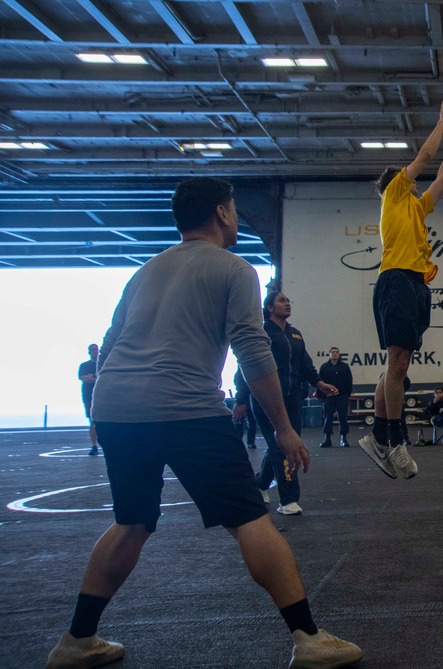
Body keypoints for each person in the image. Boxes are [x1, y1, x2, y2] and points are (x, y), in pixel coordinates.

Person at [43, 177, 361, 669]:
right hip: (185, 406)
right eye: (233, 208)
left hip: (118, 407)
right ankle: (309, 639)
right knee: (251, 520)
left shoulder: (145, 271)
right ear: (222, 212)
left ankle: (76, 641)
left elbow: (109, 345)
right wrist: (283, 427)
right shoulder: (234, 268)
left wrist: (108, 406)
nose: (235, 215)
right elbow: (252, 351)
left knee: (131, 522)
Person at [361, 99, 443, 480]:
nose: (415, 180)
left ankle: (381, 437)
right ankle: (393, 438)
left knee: (398, 366)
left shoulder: (415, 208)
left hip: (417, 285)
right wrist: (440, 124)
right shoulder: (392, 195)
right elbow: (423, 154)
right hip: (396, 280)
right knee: (397, 363)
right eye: (408, 178)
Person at [235, 292, 335, 516]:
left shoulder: (295, 334)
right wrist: (241, 400)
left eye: (289, 300)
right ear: (269, 307)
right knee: (282, 447)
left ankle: (259, 484)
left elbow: (305, 365)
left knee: (283, 444)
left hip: (293, 398)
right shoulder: (260, 333)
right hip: (265, 400)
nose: (287, 303)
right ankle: (289, 500)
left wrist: (320, 383)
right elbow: (245, 369)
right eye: (282, 301)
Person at [318, 347, 353, 448]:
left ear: (339, 354)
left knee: (343, 417)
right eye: (332, 352)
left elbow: (349, 381)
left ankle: (344, 438)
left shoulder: (344, 367)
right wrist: (321, 396)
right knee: (328, 418)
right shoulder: (324, 367)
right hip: (328, 397)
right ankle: (327, 439)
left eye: (336, 352)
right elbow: (320, 382)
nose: (334, 354)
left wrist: (347, 394)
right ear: (329, 354)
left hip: (342, 396)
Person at [78, 344, 100, 456]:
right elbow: (85, 378)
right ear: (89, 352)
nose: (95, 351)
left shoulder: (103, 364)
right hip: (89, 397)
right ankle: (94, 446)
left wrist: (93, 377)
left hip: (102, 396)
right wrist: (97, 377)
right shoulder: (84, 365)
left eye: (97, 349)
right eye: (93, 350)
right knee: (92, 421)